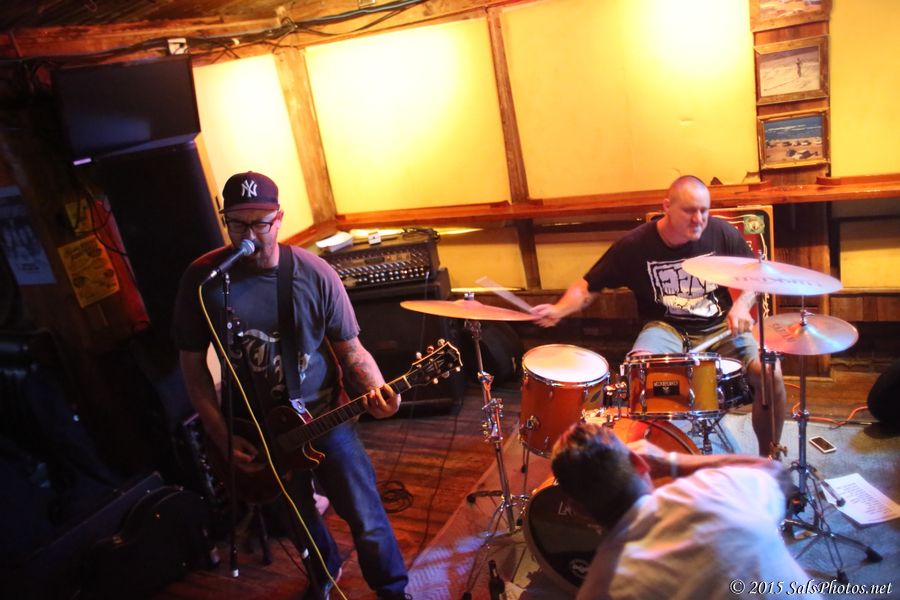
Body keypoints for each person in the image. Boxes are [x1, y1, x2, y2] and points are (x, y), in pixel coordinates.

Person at [173, 171, 409, 599]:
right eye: (237, 223)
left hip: (324, 417)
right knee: (298, 519)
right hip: (255, 431)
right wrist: (221, 435)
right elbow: (192, 367)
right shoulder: (203, 280)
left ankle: (392, 590)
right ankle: (324, 572)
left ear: (279, 218)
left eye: (260, 223)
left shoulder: (315, 274)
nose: (249, 235)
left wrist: (378, 391)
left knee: (366, 517)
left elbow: (351, 350)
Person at [532, 175, 787, 457]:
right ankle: (654, 456)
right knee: (641, 375)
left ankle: (768, 457)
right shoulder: (635, 245)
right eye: (689, 211)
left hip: (719, 326)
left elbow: (756, 276)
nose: (699, 219)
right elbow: (588, 286)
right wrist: (558, 309)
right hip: (666, 328)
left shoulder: (721, 233)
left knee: (770, 374)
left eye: (704, 210)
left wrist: (741, 305)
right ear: (667, 207)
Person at [550, 421, 821, 600]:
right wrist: (672, 462)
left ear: (578, 510)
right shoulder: (720, 490)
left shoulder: (597, 591)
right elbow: (775, 473)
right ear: (641, 463)